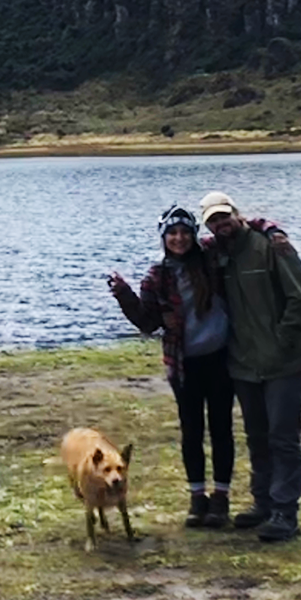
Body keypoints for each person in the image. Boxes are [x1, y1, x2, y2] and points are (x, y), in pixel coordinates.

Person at [105, 206, 240, 531]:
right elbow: (148, 324)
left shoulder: (211, 256)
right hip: (184, 365)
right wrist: (124, 296)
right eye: (172, 234)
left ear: (194, 235)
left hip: (221, 359)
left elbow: (246, 227)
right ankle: (197, 499)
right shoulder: (157, 276)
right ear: (164, 238)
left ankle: (220, 498)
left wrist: (275, 233)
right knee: (191, 432)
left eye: (184, 232)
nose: (179, 239)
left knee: (222, 429)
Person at [197, 189, 301, 543]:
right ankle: (263, 503)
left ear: (237, 214)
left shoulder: (272, 246)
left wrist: (283, 343)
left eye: (224, 216)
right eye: (213, 220)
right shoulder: (217, 255)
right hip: (244, 365)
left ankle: (286, 511)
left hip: (281, 363)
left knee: (283, 439)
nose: (221, 224)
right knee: (257, 438)